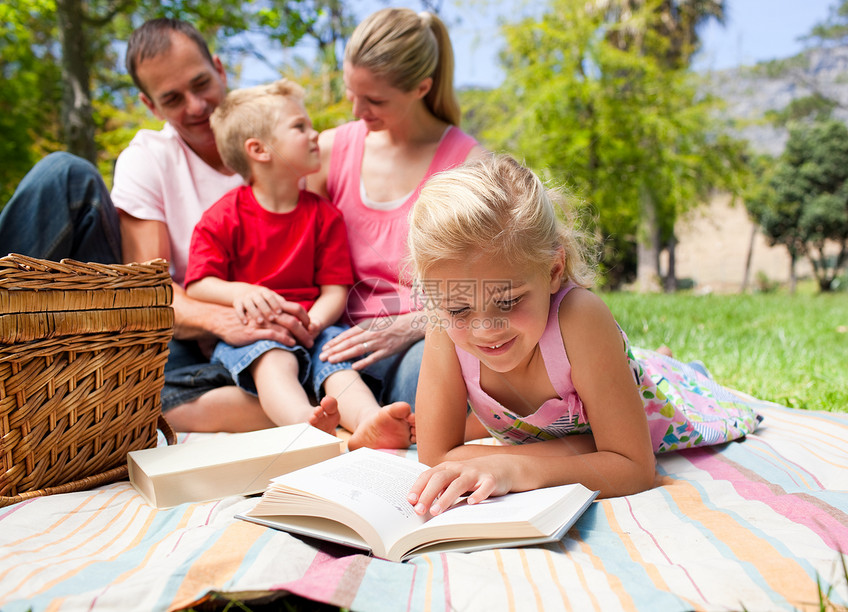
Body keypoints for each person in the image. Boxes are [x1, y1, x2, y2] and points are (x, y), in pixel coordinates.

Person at [404, 154, 762, 516]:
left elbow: (634, 467)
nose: (485, 329)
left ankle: (668, 365)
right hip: (595, 396)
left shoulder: (580, 319)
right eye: (458, 309)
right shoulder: (444, 331)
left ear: (554, 270)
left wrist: (513, 468)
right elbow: (434, 456)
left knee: (676, 380)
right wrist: (584, 448)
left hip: (662, 399)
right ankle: (655, 358)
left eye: (508, 301)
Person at [0, 19, 310, 433]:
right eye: (173, 98)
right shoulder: (148, 158)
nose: (197, 105)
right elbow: (150, 289)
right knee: (65, 173)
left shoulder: (283, 143)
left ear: (220, 69)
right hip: (165, 323)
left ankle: (153, 403)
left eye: (202, 83)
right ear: (151, 106)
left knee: (282, 368)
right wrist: (219, 320)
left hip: (251, 345)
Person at [185, 79, 414, 448]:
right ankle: (303, 429)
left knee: (338, 359)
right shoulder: (223, 216)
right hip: (257, 330)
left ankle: (371, 423)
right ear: (259, 150)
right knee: (273, 357)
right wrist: (240, 291)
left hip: (315, 326)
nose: (315, 134)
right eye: (299, 127)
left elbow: (334, 290)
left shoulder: (324, 216)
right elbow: (198, 283)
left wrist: (316, 322)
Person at [306, 8, 485, 425]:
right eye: (352, 92)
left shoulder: (469, 164)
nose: (357, 111)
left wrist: (410, 325)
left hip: (425, 335)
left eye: (374, 100)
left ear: (422, 87)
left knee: (421, 387)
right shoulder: (329, 151)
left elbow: (494, 284)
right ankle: (371, 424)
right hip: (340, 338)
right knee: (319, 366)